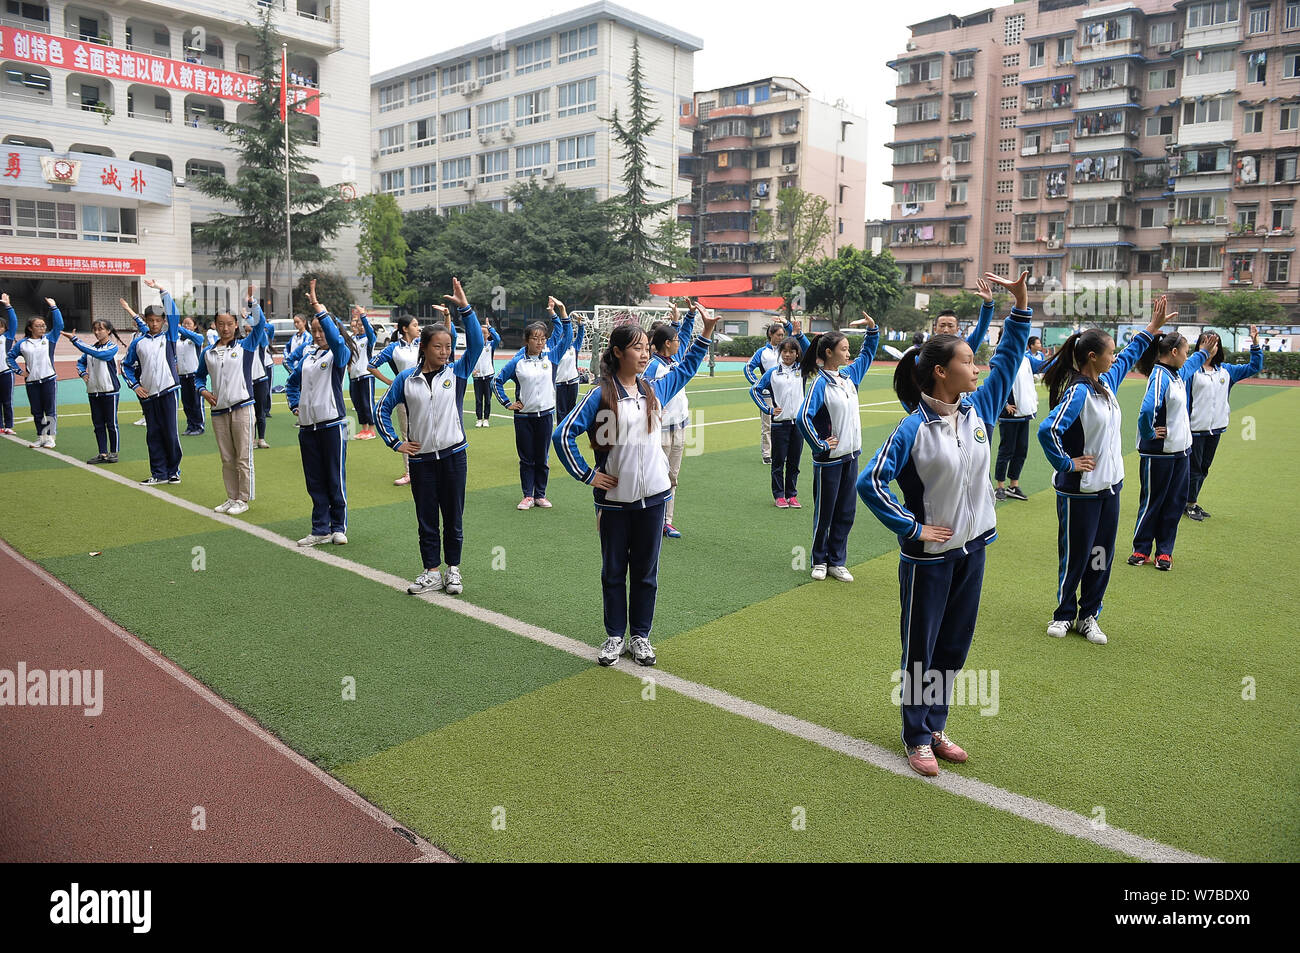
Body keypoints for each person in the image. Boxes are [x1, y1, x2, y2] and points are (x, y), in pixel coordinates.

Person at [858, 272, 1032, 778]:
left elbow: (1009, 356)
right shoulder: (912, 427)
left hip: (972, 549)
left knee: (954, 646)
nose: (976, 367)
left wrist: (1019, 305)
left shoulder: (979, 409)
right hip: (928, 560)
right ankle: (915, 736)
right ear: (940, 371)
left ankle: (935, 724)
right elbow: (871, 482)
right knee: (922, 647)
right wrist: (912, 529)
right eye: (966, 361)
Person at [553, 308, 720, 666]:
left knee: (646, 572)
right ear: (617, 352)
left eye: (647, 348)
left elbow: (688, 367)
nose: (644, 354)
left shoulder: (654, 389)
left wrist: (704, 333)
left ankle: (641, 636)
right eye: (637, 348)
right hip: (614, 502)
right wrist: (587, 475)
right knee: (614, 571)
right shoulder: (600, 394)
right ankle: (615, 635)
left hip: (656, 498)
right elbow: (563, 434)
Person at [1037, 296, 1173, 645]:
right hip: (1079, 491)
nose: (1116, 356)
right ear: (1093, 357)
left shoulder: (1107, 382)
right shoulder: (1079, 391)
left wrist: (1152, 329)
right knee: (1077, 554)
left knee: (1101, 556)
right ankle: (1064, 614)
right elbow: (1047, 430)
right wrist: (1068, 463)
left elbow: (1128, 355)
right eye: (1109, 352)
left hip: (1109, 488)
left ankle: (1089, 615)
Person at [377, 279, 483, 596]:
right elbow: (381, 410)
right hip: (422, 462)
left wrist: (465, 309)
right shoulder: (406, 380)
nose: (444, 352)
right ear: (424, 347)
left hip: (453, 457)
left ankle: (453, 570)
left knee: (453, 517)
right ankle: (431, 571)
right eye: (438, 346)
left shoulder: (457, 373)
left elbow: (476, 345)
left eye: (448, 346)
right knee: (426, 520)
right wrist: (396, 443)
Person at [795, 312, 880, 582]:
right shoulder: (820, 383)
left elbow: (867, 354)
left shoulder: (849, 376)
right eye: (844, 349)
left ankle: (837, 561)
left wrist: (873, 331)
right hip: (829, 460)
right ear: (829, 352)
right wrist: (821, 444)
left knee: (846, 511)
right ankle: (819, 560)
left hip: (851, 457)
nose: (848, 352)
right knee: (825, 512)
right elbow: (802, 417)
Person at [1129, 329, 1215, 570]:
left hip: (1181, 452)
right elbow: (1147, 410)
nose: (1188, 357)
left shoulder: (1177, 373)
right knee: (1153, 502)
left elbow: (1191, 365)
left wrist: (1204, 352)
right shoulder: (1160, 376)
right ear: (1174, 352)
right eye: (1186, 352)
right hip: (1158, 454)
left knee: (1175, 503)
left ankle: (1164, 552)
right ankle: (1141, 549)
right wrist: (1148, 433)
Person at [285, 279, 355, 546]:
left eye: (321, 330)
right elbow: (292, 384)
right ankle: (320, 528)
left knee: (334, 478)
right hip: (308, 429)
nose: (317, 335)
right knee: (314, 480)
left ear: (331, 330)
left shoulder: (339, 354)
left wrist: (318, 307)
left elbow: (338, 342)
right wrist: (295, 405)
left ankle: (338, 526)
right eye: (313, 331)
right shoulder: (308, 356)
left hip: (333, 425)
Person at [493, 301, 573, 510]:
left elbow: (568, 339)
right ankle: (527, 495)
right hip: (524, 417)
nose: (539, 342)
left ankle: (540, 494)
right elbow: (497, 381)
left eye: (542, 338)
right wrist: (508, 404)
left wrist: (563, 313)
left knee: (542, 458)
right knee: (526, 458)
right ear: (527, 340)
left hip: (546, 415)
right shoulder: (517, 362)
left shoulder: (552, 357)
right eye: (535, 338)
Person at [196, 287, 267, 515]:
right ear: (215, 326)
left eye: (229, 324)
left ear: (236, 324)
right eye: (220, 324)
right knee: (227, 458)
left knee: (243, 457)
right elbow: (198, 377)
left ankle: (243, 499)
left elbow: (261, 324)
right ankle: (231, 496)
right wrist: (203, 392)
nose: (225, 328)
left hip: (242, 408)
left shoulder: (245, 346)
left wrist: (252, 302)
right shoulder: (208, 352)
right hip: (218, 412)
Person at [1184, 326, 1263, 520]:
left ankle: (1190, 501)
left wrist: (1255, 344)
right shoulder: (1190, 371)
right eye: (1206, 342)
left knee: (1204, 468)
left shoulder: (1226, 371)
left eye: (1216, 342)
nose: (1212, 345)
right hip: (1194, 429)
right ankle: (1190, 504)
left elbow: (1255, 367)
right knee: (1193, 470)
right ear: (1199, 346)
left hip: (1216, 429)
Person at [122, 279, 185, 484]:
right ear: (146, 320)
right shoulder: (138, 342)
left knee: (171, 433)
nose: (154, 324)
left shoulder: (170, 337)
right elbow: (126, 366)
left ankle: (174, 471)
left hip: (168, 391)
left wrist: (162, 291)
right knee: (153, 434)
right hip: (148, 394)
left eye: (158, 320)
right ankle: (158, 473)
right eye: (150, 320)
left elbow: (174, 314)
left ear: (163, 321)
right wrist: (136, 386)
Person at [645, 300, 700, 538]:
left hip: (679, 428)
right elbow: (645, 394)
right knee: (655, 475)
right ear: (667, 344)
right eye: (675, 340)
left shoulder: (675, 361)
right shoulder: (653, 366)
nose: (680, 343)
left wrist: (685, 317)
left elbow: (685, 336)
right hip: (661, 430)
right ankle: (650, 519)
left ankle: (667, 521)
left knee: (672, 477)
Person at [749, 334, 805, 509]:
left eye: (791, 351)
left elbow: (812, 351)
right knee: (779, 462)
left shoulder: (802, 370)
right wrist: (768, 410)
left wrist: (799, 335)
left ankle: (792, 495)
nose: (787, 355)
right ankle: (779, 495)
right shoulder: (773, 373)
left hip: (798, 425)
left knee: (794, 463)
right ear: (780, 353)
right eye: (784, 351)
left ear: (797, 354)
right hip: (779, 424)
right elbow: (755, 390)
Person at [994, 335, 1052, 501]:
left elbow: (1043, 366)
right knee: (1006, 451)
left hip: (1024, 414)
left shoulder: (1026, 359)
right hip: (1009, 414)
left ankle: (1013, 485)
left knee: (1021, 451)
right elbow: (997, 383)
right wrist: (1004, 404)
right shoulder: (1001, 358)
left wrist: (1064, 355)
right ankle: (999, 487)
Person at [745, 319, 809, 464]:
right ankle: (767, 454)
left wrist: (789, 325)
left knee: (790, 423)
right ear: (771, 335)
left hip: (787, 391)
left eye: (783, 334)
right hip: (769, 394)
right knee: (768, 424)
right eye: (779, 335)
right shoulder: (762, 352)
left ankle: (784, 452)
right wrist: (759, 384)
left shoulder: (786, 350)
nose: (781, 337)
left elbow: (802, 348)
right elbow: (748, 368)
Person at [64, 320, 128, 464]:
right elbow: (81, 362)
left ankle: (114, 452)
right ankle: (102, 453)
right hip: (93, 391)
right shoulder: (91, 349)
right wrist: (82, 373)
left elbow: (100, 355)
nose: (97, 332)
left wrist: (75, 340)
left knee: (111, 424)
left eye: (101, 329)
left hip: (109, 390)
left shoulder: (112, 347)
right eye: (95, 329)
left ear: (109, 331)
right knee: (98, 424)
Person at [370, 313, 423, 486]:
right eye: (415, 325)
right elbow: (371, 365)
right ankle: (410, 473)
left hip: (424, 394)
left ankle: (429, 468)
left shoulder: (422, 345)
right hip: (404, 397)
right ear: (405, 329)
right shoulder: (393, 348)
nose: (418, 328)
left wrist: (446, 316)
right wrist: (390, 382)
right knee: (407, 435)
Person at [4, 295, 63, 448]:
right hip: (32, 382)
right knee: (36, 411)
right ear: (30, 328)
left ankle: (50, 437)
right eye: (38, 325)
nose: (42, 328)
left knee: (50, 410)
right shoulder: (23, 344)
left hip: (49, 380)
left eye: (43, 325)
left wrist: (54, 308)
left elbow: (59, 326)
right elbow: (9, 358)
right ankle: (41, 437)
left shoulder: (49, 339)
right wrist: (19, 372)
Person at [347, 306, 379, 440]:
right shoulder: (353, 340)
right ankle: (364, 429)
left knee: (367, 403)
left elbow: (370, 332)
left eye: (362, 325)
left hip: (366, 375)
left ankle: (372, 430)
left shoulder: (369, 340)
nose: (360, 327)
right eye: (358, 325)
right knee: (358, 403)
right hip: (354, 376)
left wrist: (363, 316)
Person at [551, 299, 586, 423]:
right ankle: (560, 431)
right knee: (561, 410)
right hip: (560, 383)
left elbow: (580, 335)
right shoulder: (556, 350)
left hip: (573, 382)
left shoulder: (574, 348)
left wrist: (580, 323)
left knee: (571, 409)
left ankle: (570, 430)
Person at [177, 314, 209, 436]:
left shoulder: (197, 337)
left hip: (194, 375)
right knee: (186, 403)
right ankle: (191, 425)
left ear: (195, 326)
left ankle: (199, 426)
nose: (186, 326)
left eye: (189, 324)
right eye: (184, 323)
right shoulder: (178, 340)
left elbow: (198, 339)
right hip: (182, 376)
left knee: (197, 402)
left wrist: (178, 327)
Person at [470, 315, 502, 428]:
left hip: (489, 376)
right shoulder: (474, 346)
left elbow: (497, 339)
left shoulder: (491, 345)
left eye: (485, 333)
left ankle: (486, 419)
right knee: (478, 399)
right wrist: (472, 371)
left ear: (488, 335)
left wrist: (490, 327)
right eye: (481, 333)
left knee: (487, 399)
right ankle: (479, 419)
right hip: (477, 377)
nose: (483, 335)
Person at [0, 293, 16, 435]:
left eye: (1, 326)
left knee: (7, 401)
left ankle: (9, 425)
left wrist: (8, 306)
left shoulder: (7, 337)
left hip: (5, 373)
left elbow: (14, 322)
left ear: (5, 328)